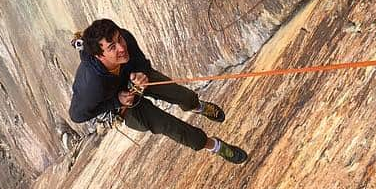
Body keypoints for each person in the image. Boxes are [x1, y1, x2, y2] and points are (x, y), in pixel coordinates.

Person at [68, 19, 248, 164]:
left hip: (136, 78)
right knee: (171, 127)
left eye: (119, 39)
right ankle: (215, 146)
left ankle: (198, 106)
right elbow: (77, 115)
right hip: (122, 105)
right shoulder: (92, 85)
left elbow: (141, 62)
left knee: (183, 96)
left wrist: (141, 74)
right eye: (112, 48)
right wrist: (116, 101)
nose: (121, 48)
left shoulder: (125, 38)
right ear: (100, 56)